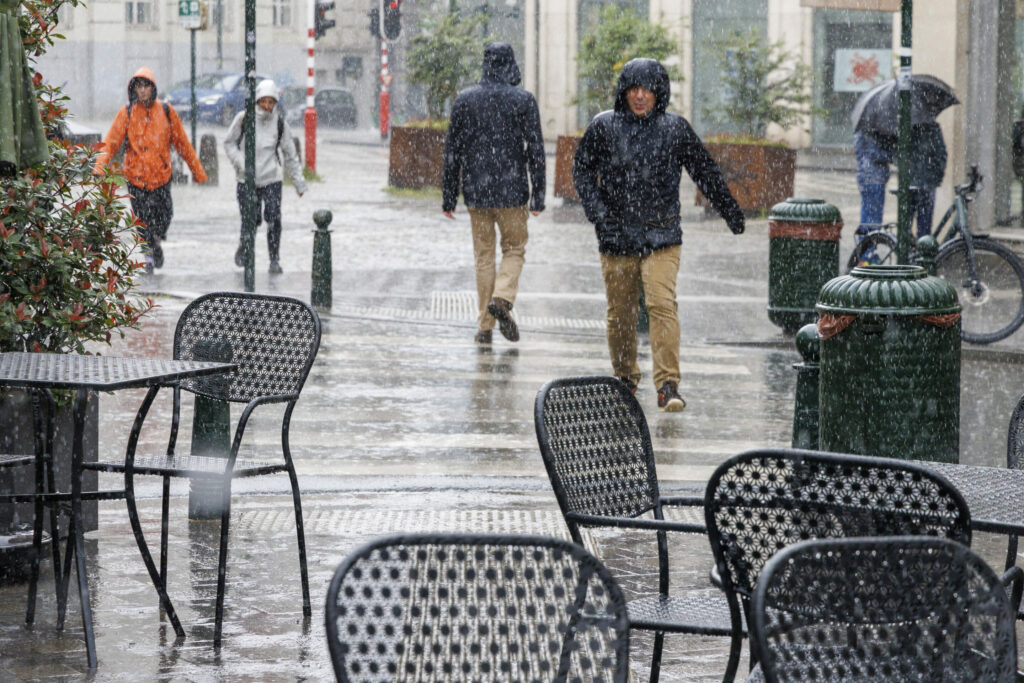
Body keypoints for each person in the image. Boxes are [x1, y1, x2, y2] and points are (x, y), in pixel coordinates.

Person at [573, 57, 744, 413]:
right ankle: (624, 379)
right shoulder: (603, 127)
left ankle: (668, 384)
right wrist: (600, 216)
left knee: (661, 304)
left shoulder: (674, 129)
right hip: (616, 235)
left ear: (658, 93)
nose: (639, 96)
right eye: (633, 89)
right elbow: (583, 173)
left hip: (662, 235)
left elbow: (705, 172)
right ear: (624, 92)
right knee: (620, 313)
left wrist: (730, 211)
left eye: (646, 90)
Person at [442, 42, 545, 344]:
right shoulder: (523, 100)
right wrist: (539, 195)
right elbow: (536, 150)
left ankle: (485, 327)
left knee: (483, 257)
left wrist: (449, 197)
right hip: (513, 191)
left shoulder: (465, 100)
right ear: (511, 64)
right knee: (514, 249)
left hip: (477, 191)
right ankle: (502, 298)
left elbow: (452, 152)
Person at [95, 66, 207, 273]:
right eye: (139, 86)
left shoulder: (166, 111)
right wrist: (100, 166)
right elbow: (111, 142)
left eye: (147, 86)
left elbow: (183, 143)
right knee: (141, 220)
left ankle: (156, 241)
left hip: (161, 177)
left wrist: (197, 171)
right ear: (134, 90)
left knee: (166, 214)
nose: (143, 90)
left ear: (153, 88)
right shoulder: (127, 113)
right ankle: (148, 255)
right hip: (135, 178)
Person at [224, 79, 306, 274]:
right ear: (257, 101)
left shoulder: (280, 124)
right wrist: (241, 164)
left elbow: (290, 153)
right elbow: (229, 143)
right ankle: (245, 246)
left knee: (274, 218)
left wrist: (299, 183)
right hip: (246, 180)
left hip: (271, 179)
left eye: (271, 102)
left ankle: (274, 259)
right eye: (264, 101)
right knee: (251, 219)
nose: (267, 106)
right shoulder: (243, 119)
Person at [907, 122, 947, 238]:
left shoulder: (907, 127)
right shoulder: (933, 128)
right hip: (926, 185)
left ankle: (908, 252)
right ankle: (921, 252)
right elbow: (941, 155)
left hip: (910, 184)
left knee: (905, 229)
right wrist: (935, 179)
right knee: (924, 229)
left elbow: (898, 154)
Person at [853, 129, 896, 229]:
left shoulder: (861, 131)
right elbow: (874, 154)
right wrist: (890, 155)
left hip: (865, 177)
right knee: (874, 217)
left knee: (867, 214)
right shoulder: (872, 133)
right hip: (874, 178)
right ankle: (870, 242)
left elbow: (862, 152)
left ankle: (864, 242)